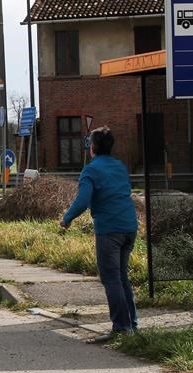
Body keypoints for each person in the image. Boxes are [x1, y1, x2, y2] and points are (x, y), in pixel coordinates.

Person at [59, 126, 138, 343]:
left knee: (111, 278)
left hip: (109, 230)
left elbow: (82, 201)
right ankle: (131, 324)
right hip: (129, 226)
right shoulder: (120, 166)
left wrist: (66, 219)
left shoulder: (91, 170)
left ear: (92, 147)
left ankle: (121, 328)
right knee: (122, 277)